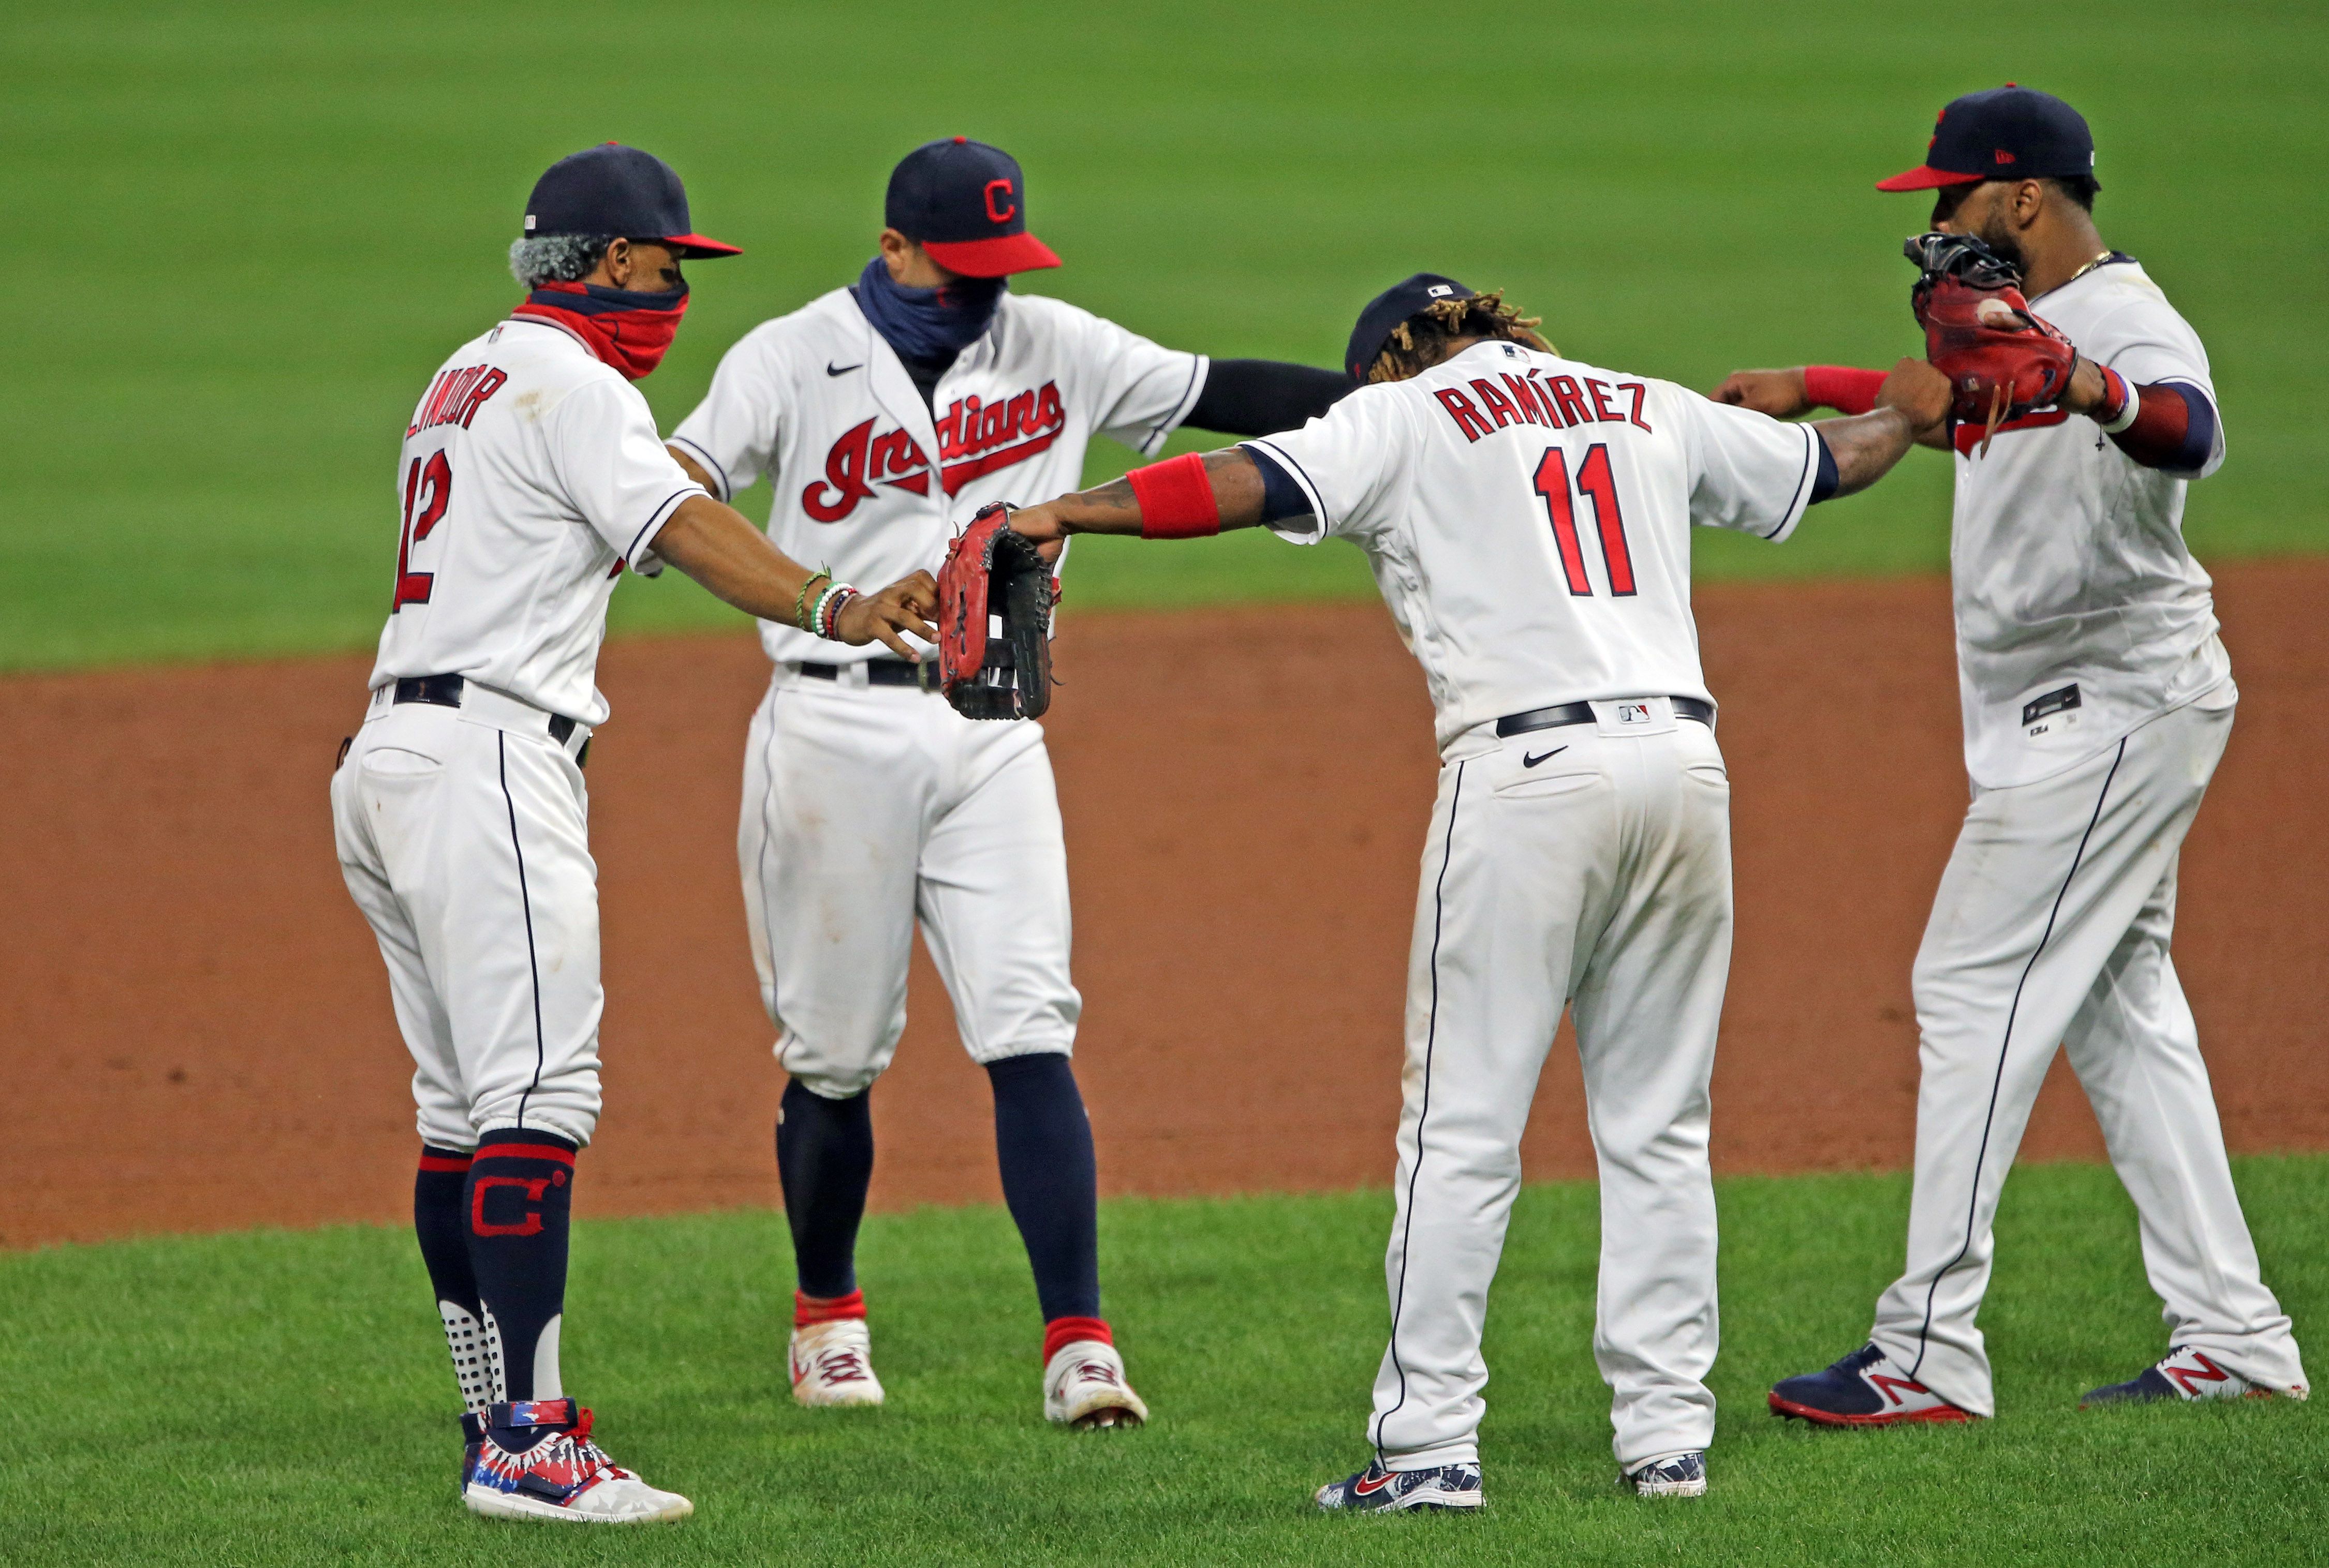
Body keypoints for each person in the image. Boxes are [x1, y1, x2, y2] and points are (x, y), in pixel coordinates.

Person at [1000, 275, 1939, 1504]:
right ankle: (1668, 1443)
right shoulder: (1636, 399)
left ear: (1391, 360)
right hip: (1686, 769)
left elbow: (1242, 483)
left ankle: (1429, 1448)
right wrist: (1912, 414)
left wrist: (1071, 508)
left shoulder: (1401, 417)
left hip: (1529, 777)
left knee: (1459, 1132)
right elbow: (1829, 467)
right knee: (1659, 1126)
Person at [661, 136, 1350, 1426]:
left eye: (998, 268)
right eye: (956, 271)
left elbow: (1223, 389)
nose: (981, 294)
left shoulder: (1055, 340)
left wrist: (1400, 397)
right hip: (831, 736)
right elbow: (684, 486)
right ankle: (826, 1316)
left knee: (1032, 1023)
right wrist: (828, 598)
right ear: (893, 249)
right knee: (834, 1056)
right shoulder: (786, 356)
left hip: (994, 730)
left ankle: (1081, 1345)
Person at [331, 143, 936, 1523]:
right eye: (668, 266)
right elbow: (685, 522)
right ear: (610, 263)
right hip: (489, 756)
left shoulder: (466, 371)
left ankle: (496, 1410)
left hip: (387, 753)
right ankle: (529, 1442)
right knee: (538, 1098)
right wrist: (835, 605)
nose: (677, 292)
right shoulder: (574, 379)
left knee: (459, 1114)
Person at [1716, 84, 2309, 1425]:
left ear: (2024, 196)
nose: (1936, 221)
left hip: (2108, 703)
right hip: (2078, 704)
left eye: (1953, 194)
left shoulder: (2123, 318)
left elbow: (2188, 429)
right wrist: (1811, 388)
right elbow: (1967, 396)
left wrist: (2093, 383)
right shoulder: (2012, 329)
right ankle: (2236, 1332)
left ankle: (1925, 1347)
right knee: (2118, 1008)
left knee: (1967, 982)